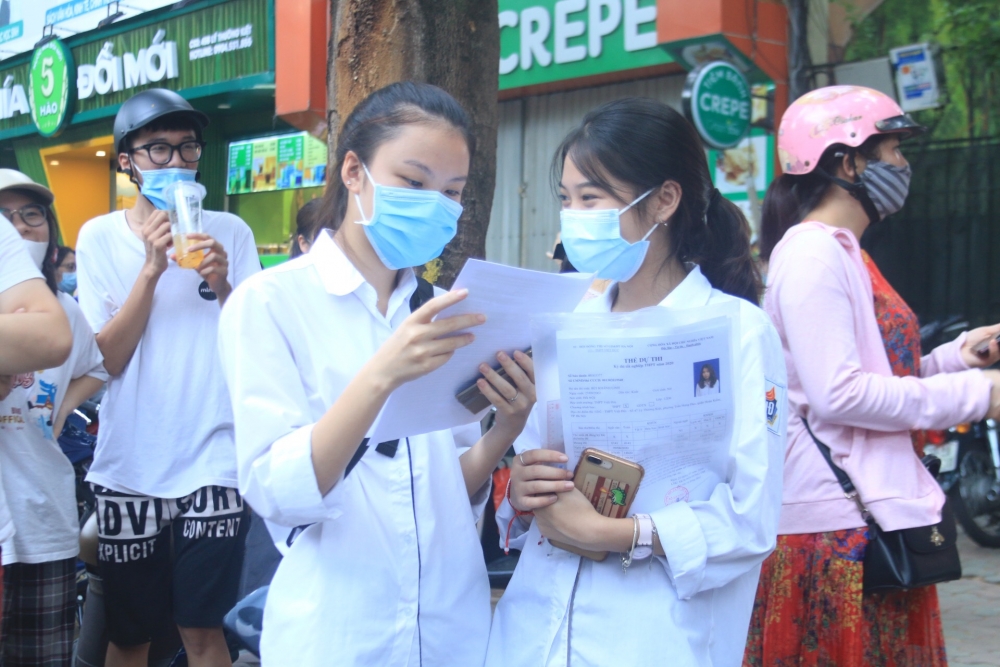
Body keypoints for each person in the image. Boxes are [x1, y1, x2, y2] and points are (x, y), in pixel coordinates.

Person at [218, 81, 535, 667]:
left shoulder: (446, 310)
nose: (434, 204)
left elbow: (448, 483)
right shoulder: (270, 303)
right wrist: (380, 376)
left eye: (452, 192)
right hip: (338, 630)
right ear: (353, 172)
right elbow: (276, 489)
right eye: (413, 182)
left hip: (450, 628)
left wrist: (505, 430)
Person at [486, 98, 787, 666]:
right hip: (534, 630)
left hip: (656, 637)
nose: (574, 217)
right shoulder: (565, 323)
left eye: (591, 199)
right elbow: (534, 474)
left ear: (664, 200)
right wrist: (522, 489)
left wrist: (620, 534)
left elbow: (751, 519)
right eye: (566, 200)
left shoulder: (739, 332)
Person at [743, 86, 1000, 667]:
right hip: (835, 529)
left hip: (867, 518)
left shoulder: (846, 252)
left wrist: (960, 358)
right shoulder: (812, 256)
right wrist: (975, 395)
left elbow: (879, 376)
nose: (903, 165)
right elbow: (839, 394)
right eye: (893, 151)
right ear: (847, 162)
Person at [75, 88, 260, 667]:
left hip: (216, 456)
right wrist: (152, 269)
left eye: (187, 148)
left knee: (204, 629)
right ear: (126, 161)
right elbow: (107, 359)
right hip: (130, 462)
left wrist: (225, 285)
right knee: (131, 634)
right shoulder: (99, 237)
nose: (176, 162)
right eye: (158, 148)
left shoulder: (230, 232)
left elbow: (257, 346)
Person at [0, 170, 106, 667]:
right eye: (5, 217)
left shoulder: (64, 312)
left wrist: (63, 409)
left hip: (46, 521)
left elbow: (96, 367)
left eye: (32, 214)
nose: (20, 227)